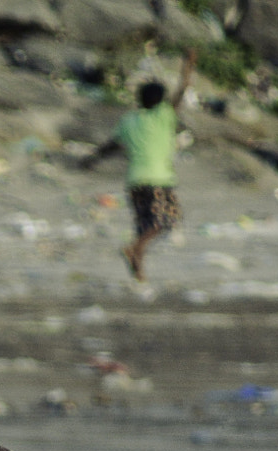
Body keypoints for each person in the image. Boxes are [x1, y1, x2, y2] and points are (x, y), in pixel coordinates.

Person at [84, 52, 195, 281]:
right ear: (160, 100)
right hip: (159, 180)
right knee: (167, 221)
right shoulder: (163, 116)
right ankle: (132, 248)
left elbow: (112, 145)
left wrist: (92, 158)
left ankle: (139, 273)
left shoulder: (129, 120)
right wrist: (188, 65)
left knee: (144, 225)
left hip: (135, 182)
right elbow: (182, 89)